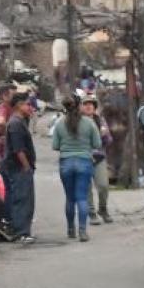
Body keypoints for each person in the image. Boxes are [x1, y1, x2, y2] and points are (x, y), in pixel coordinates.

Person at [51, 96, 102, 241]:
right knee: (82, 198)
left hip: (66, 163)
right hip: (84, 162)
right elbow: (97, 144)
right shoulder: (89, 123)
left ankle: (70, 230)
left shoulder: (60, 124)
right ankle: (83, 231)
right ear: (79, 105)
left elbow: (55, 146)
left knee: (70, 198)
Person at [3, 93, 38, 244]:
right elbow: (18, 150)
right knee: (22, 199)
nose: (30, 107)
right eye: (27, 104)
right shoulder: (16, 124)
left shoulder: (20, 121)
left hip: (19, 167)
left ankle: (22, 231)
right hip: (18, 167)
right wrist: (26, 167)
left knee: (24, 199)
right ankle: (22, 233)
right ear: (19, 105)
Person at [82, 96, 113, 224]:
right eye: (86, 104)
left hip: (99, 157)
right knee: (87, 187)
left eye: (91, 104)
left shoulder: (100, 120)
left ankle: (103, 209)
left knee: (103, 185)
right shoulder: (78, 121)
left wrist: (104, 135)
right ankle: (91, 213)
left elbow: (109, 139)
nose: (89, 106)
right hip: (83, 158)